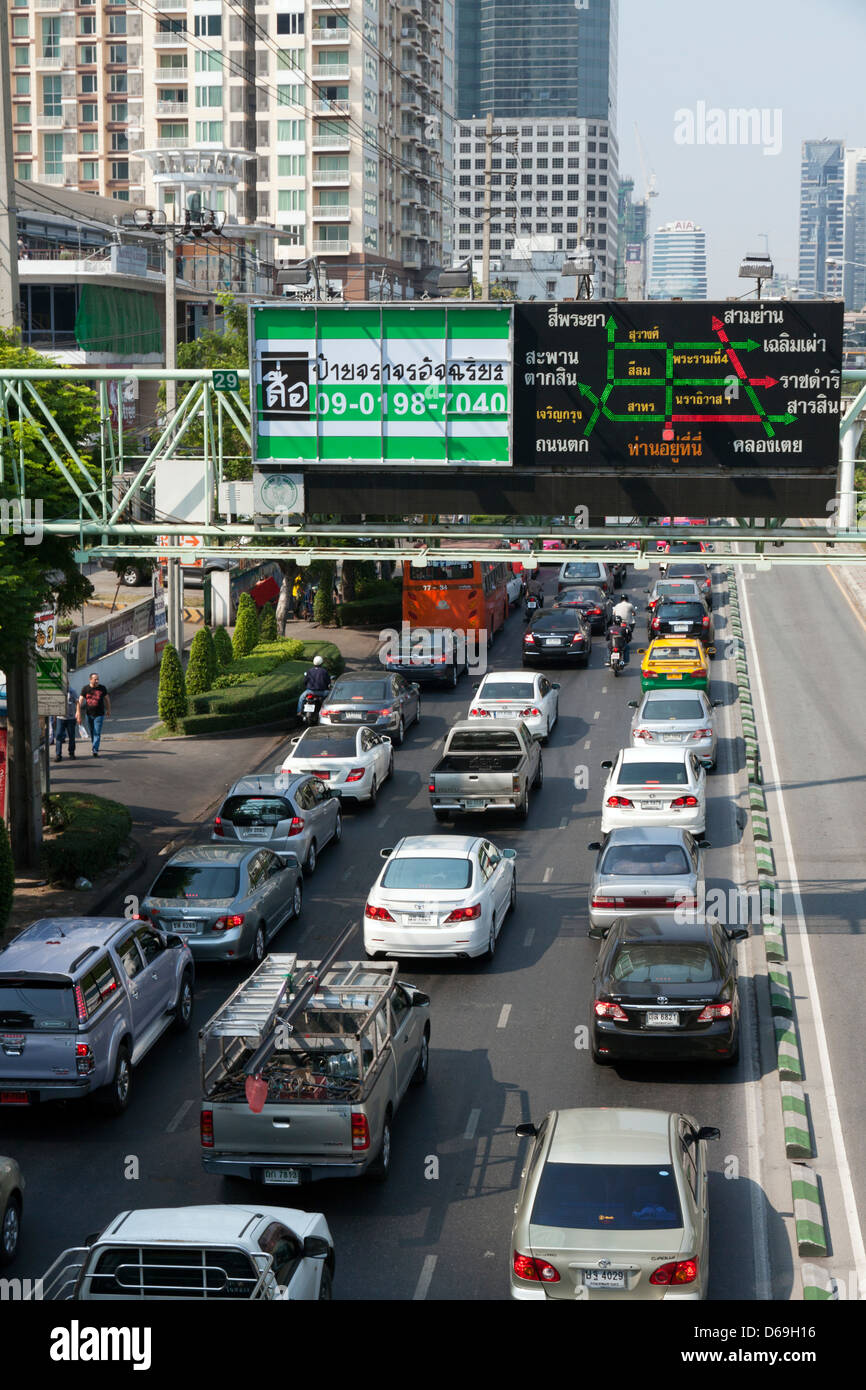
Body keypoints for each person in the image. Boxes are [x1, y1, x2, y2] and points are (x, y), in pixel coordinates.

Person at [78, 672, 111, 756]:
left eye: (98, 679)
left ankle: (95, 749)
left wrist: (108, 709)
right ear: (90, 679)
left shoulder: (102, 688)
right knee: (92, 731)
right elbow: (80, 701)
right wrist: (77, 712)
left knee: (97, 732)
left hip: (99, 714)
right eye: (95, 679)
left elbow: (107, 699)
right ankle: (94, 744)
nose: (97, 681)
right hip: (89, 714)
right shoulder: (85, 689)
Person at [55, 685, 79, 761]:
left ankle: (71, 753)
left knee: (71, 736)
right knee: (58, 736)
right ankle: (58, 755)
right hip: (60, 717)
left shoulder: (72, 691)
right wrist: (55, 717)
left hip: (71, 718)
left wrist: (78, 713)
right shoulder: (58, 690)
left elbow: (77, 702)